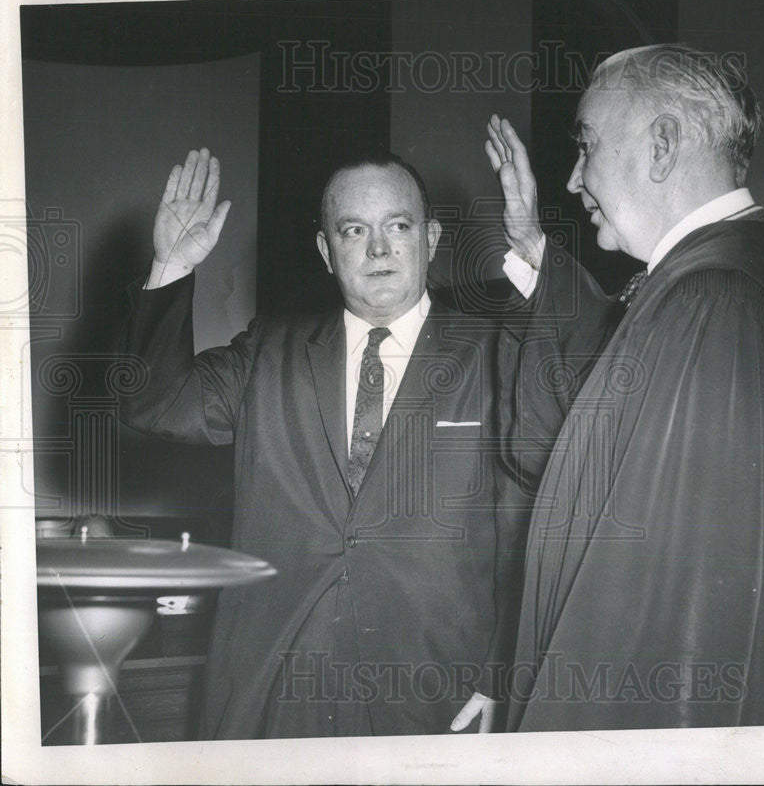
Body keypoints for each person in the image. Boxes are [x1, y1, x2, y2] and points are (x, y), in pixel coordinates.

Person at [484, 44, 764, 731]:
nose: (572, 179)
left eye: (586, 146)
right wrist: (535, 247)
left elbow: (660, 635)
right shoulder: (718, 288)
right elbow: (601, 418)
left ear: (662, 146)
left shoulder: (711, 309)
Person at [120, 148, 525, 738]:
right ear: (325, 249)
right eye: (354, 230)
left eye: (399, 226)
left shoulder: (499, 355)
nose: (379, 249)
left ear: (431, 238)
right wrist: (171, 266)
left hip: (440, 691)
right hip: (281, 685)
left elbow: (525, 532)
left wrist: (501, 673)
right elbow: (155, 402)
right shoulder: (270, 351)